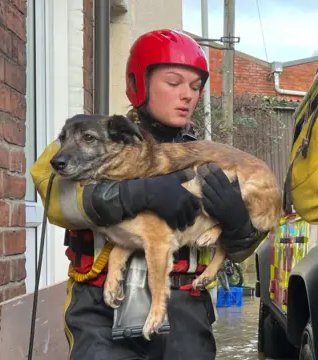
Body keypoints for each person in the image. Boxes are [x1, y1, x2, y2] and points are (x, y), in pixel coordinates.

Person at [30, 29, 268, 360]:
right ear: (139, 83)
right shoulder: (89, 136)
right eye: (173, 82)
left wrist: (240, 226)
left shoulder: (215, 160)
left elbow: (244, 249)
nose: (187, 95)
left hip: (185, 309)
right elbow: (55, 197)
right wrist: (140, 192)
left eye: (195, 87)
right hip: (101, 308)